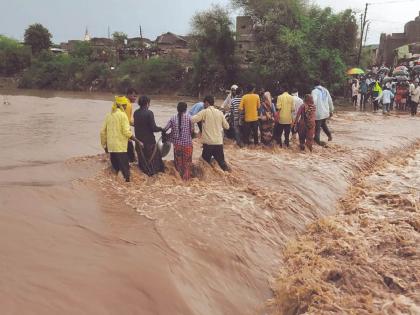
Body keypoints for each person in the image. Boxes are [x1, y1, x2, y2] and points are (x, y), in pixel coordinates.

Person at [100, 96, 143, 182]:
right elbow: (126, 132)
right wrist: (138, 141)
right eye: (125, 105)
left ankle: (115, 191)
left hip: (111, 147)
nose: (126, 107)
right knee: (125, 173)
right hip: (120, 148)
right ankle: (126, 190)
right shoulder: (123, 115)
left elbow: (102, 132)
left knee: (115, 170)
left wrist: (104, 145)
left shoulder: (109, 115)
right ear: (122, 105)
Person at [191, 96, 230, 171]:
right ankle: (229, 176)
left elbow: (192, 120)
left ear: (207, 103)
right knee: (222, 163)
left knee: (203, 164)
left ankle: (204, 181)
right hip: (219, 143)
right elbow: (227, 126)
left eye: (204, 104)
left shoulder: (204, 112)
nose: (203, 105)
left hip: (208, 144)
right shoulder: (220, 113)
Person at [133, 96, 165, 176]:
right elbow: (153, 128)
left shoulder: (136, 112)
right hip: (149, 142)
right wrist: (161, 129)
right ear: (147, 103)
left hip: (138, 141)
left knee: (143, 162)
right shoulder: (149, 113)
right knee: (155, 165)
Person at [164, 102, 193, 180]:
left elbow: (165, 129)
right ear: (186, 109)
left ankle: (178, 180)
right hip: (188, 145)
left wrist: (167, 136)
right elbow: (192, 131)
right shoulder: (190, 117)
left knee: (178, 164)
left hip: (177, 145)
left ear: (177, 109)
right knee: (187, 164)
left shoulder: (172, 118)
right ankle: (186, 182)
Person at [312, 81, 334, 146]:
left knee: (317, 127)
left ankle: (317, 140)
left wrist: (311, 110)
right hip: (325, 112)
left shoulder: (314, 91)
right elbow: (330, 101)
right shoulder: (325, 90)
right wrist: (331, 110)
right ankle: (329, 135)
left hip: (319, 112)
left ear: (314, 85)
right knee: (323, 124)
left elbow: (314, 101)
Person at [124, 88, 138, 162]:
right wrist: (139, 125)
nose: (135, 98)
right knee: (131, 153)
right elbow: (126, 121)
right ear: (128, 95)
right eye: (134, 96)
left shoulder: (121, 102)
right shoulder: (128, 104)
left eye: (136, 96)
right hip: (124, 130)